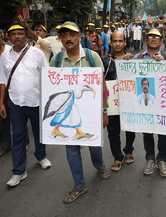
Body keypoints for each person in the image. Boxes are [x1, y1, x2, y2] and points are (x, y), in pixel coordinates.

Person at [49, 21, 110, 203]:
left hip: (91, 114)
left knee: (94, 145)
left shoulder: (92, 58)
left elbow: (102, 85)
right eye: (64, 35)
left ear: (80, 36)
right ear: (60, 38)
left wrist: (104, 111)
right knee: (72, 151)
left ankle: (99, 165)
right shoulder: (56, 60)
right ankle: (79, 185)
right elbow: (52, 88)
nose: (68, 39)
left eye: (72, 35)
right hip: (68, 114)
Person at [0, 23, 51, 187]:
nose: (17, 36)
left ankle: (41, 156)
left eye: (20, 33)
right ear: (8, 37)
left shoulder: (37, 53)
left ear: (26, 35)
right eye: (13, 34)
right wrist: (2, 103)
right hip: (15, 102)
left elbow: (47, 75)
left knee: (39, 132)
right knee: (18, 137)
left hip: (36, 100)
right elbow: (2, 81)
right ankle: (19, 171)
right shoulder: (4, 56)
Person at [132, 28, 166, 177]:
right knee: (147, 132)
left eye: (157, 37)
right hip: (145, 105)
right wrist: (125, 60)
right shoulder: (136, 58)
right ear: (145, 39)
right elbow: (129, 76)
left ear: (162, 41)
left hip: (162, 105)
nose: (153, 39)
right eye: (150, 36)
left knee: (164, 133)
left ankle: (162, 159)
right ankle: (150, 159)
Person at [101, 31, 136, 171]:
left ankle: (128, 150)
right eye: (115, 41)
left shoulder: (131, 60)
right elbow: (100, 82)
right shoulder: (105, 61)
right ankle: (117, 156)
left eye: (120, 41)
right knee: (113, 131)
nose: (117, 44)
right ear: (110, 42)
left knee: (130, 129)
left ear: (125, 42)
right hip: (112, 105)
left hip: (129, 102)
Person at [0, 31, 11, 157]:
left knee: (17, 117)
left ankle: (24, 141)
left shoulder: (9, 50)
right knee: (2, 117)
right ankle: (5, 145)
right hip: (1, 87)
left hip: (12, 88)